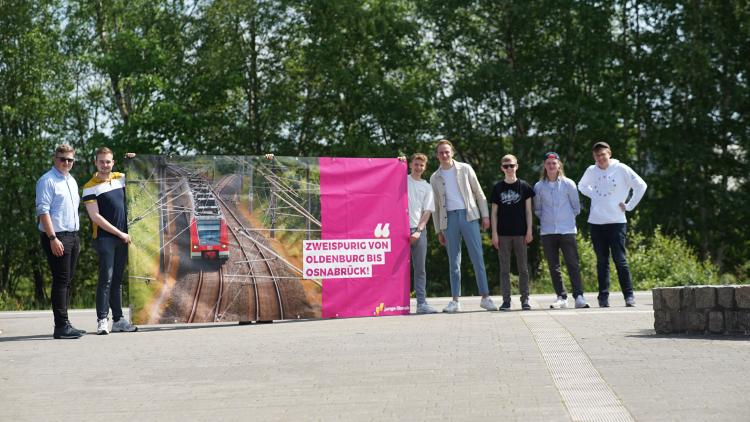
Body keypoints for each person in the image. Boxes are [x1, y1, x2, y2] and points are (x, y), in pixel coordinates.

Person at [429, 139, 497, 313]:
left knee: (477, 257)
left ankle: (485, 297)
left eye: (447, 151)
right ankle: (455, 301)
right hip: (449, 220)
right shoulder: (434, 178)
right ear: (437, 156)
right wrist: (438, 230)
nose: (444, 155)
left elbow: (479, 192)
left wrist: (485, 215)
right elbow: (435, 207)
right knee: (454, 261)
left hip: (469, 215)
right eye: (441, 152)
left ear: (452, 152)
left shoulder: (465, 169)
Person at [578, 141, 647, 307]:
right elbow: (581, 185)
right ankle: (603, 298)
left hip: (616, 222)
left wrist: (629, 205)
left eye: (603, 154)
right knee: (602, 262)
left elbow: (641, 185)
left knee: (620, 260)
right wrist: (593, 194)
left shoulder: (621, 168)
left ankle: (629, 296)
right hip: (596, 222)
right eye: (597, 155)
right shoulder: (591, 170)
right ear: (594, 157)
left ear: (609, 153)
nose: (600, 158)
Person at [82, 147, 138, 334]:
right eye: (101, 162)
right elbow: (96, 217)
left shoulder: (120, 178)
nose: (105, 165)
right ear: (95, 162)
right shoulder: (89, 186)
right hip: (106, 238)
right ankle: (102, 320)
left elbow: (140, 175)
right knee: (105, 279)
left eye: (108, 161)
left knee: (117, 281)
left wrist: (134, 160)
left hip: (123, 237)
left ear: (113, 162)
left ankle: (119, 320)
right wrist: (119, 233)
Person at [36, 144, 85, 339]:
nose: (66, 163)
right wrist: (53, 238)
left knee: (68, 280)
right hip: (56, 237)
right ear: (54, 159)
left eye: (70, 160)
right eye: (62, 159)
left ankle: (66, 322)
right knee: (61, 280)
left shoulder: (71, 180)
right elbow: (43, 211)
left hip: (72, 236)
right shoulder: (47, 181)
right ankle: (60, 326)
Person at [533, 152, 589, 309]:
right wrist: (548, 220)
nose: (551, 166)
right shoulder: (538, 186)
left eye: (554, 163)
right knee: (553, 266)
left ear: (559, 165)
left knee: (573, 264)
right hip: (548, 231)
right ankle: (561, 297)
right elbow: (537, 209)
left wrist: (565, 219)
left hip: (567, 230)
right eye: (548, 163)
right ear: (545, 166)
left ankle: (579, 296)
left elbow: (576, 207)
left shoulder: (568, 184)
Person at [490, 154, 535, 311]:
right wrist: (494, 234)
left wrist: (529, 230)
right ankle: (506, 300)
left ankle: (525, 299)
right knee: (504, 270)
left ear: (517, 166)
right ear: (502, 168)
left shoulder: (525, 187)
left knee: (523, 269)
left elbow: (529, 211)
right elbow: (493, 213)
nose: (509, 168)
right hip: (502, 234)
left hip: (521, 233)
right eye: (506, 166)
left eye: (512, 165)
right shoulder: (497, 188)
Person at [406, 153, 437, 314]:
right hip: (398, 230)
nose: (418, 167)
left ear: (424, 168)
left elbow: (427, 212)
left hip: (418, 231)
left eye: (421, 165)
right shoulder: (402, 180)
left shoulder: (427, 186)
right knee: (396, 270)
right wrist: (396, 163)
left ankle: (421, 304)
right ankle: (396, 304)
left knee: (420, 269)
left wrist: (418, 230)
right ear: (410, 164)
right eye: (416, 164)